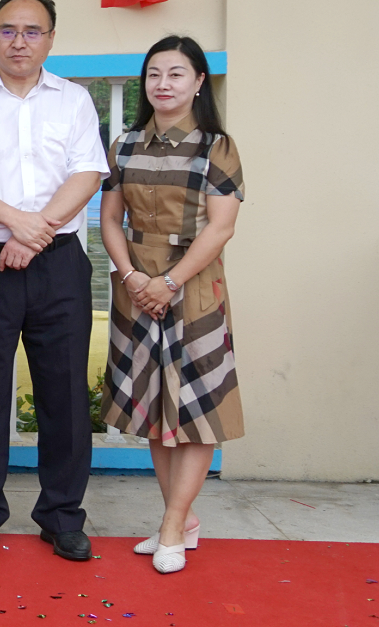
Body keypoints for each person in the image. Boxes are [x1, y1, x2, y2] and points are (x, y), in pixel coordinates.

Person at [0, 0, 108, 562]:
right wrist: (20, 225)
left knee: (65, 393)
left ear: (51, 39)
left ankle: (62, 516)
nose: (20, 41)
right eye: (8, 30)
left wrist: (36, 235)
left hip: (58, 264)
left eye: (32, 31)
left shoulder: (74, 100)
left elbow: (86, 173)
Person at [100, 36, 243, 575]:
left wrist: (169, 282)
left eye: (177, 74)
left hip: (194, 288)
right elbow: (110, 220)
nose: (164, 84)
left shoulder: (216, 147)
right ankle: (181, 520)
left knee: (196, 410)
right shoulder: (124, 144)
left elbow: (221, 227)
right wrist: (134, 277)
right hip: (137, 286)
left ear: (199, 82)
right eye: (155, 74)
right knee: (155, 407)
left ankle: (171, 526)